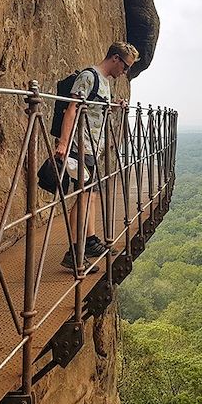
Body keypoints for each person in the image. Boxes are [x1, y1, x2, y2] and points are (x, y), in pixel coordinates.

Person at [57, 41, 138, 270]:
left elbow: (93, 107)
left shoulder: (103, 82)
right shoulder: (88, 76)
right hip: (79, 146)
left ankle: (90, 241)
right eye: (125, 66)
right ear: (115, 58)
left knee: (91, 195)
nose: (125, 72)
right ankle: (74, 253)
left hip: (93, 148)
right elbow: (72, 108)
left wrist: (113, 106)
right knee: (83, 196)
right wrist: (63, 143)